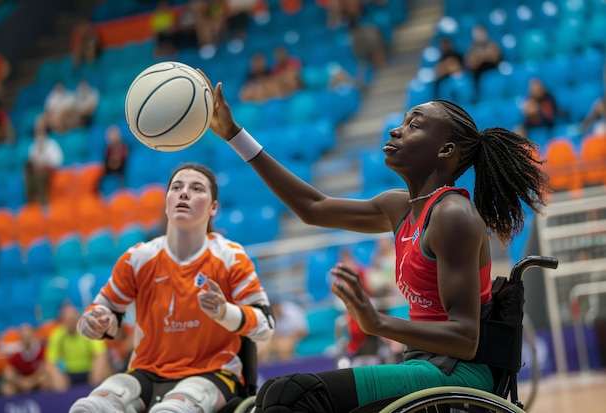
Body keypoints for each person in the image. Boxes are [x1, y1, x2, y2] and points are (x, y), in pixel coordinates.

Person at [199, 69, 550, 412]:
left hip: (457, 373)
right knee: (272, 393)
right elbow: (312, 207)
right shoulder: (399, 206)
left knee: (290, 394)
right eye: (403, 122)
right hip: (423, 365)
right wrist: (234, 135)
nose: (396, 130)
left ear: (445, 151)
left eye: (414, 125)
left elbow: (465, 338)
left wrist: (377, 322)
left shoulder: (452, 215)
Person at [69, 163, 275, 413]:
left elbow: (266, 325)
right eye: (176, 187)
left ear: (213, 208)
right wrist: (96, 322)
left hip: (212, 374)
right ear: (166, 203)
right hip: (145, 373)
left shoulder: (231, 257)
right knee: (86, 408)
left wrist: (224, 312)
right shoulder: (138, 258)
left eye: (196, 188)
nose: (184, 193)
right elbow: (101, 313)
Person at [45, 303, 112, 391]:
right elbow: (50, 362)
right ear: (63, 320)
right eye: (68, 320)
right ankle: (61, 399)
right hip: (68, 374)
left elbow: (100, 354)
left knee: (105, 366)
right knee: (46, 380)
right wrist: (59, 381)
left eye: (73, 319)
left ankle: (96, 392)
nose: (71, 323)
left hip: (89, 371)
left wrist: (95, 380)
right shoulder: (57, 335)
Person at [1, 323, 52, 396]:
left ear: (33, 335)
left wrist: (31, 382)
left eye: (28, 336)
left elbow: (45, 368)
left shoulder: (42, 350)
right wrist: (21, 382)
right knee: (7, 388)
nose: (26, 340)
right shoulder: (16, 354)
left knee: (46, 380)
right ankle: (16, 406)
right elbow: (8, 373)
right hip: (22, 383)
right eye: (24, 337)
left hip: (37, 381)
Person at [25, 116, 64, 205]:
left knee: (39, 175)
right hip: (37, 171)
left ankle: (43, 204)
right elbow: (32, 161)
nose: (38, 132)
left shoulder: (51, 144)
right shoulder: (33, 147)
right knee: (28, 171)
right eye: (37, 130)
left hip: (49, 170)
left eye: (40, 130)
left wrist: (44, 156)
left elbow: (57, 161)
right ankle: (30, 202)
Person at [256, 298, 308, 364]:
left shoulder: (293, 310)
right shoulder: (267, 314)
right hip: (275, 339)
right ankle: (262, 372)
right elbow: (267, 332)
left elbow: (302, 331)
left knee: (284, 347)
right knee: (261, 349)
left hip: (293, 337)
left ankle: (287, 370)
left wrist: (288, 338)